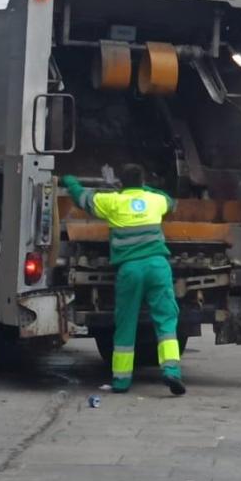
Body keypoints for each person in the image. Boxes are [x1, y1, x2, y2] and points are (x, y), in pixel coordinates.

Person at [60, 165, 184, 395]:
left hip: (131, 269)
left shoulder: (113, 202)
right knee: (166, 321)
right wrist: (144, 188)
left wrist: (70, 182)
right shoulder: (154, 200)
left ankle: (121, 381)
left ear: (120, 182)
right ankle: (171, 371)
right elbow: (170, 201)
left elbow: (83, 200)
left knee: (126, 323)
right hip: (158, 266)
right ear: (143, 180)